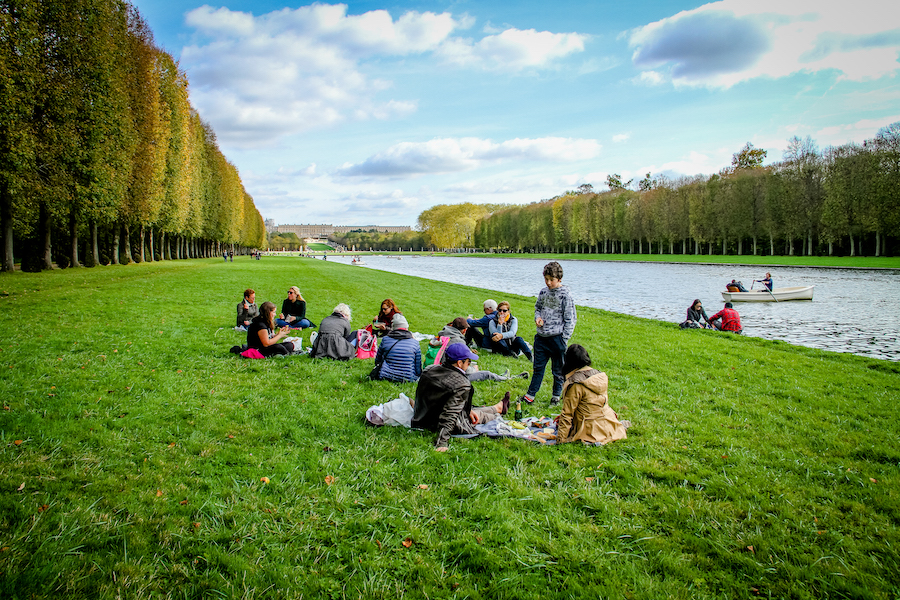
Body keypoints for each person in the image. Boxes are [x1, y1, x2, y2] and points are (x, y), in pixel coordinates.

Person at [411, 343, 511, 452]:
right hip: (436, 423)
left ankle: (497, 407)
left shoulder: (429, 370)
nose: (469, 364)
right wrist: (442, 442)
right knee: (477, 416)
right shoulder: (462, 384)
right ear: (459, 363)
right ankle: (496, 413)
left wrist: (466, 409)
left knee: (469, 411)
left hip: (422, 417)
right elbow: (450, 414)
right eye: (468, 362)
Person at [521, 261, 577, 406]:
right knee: (537, 367)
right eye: (546, 279)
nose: (548, 282)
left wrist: (564, 339)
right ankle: (530, 395)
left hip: (557, 338)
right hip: (541, 338)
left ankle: (556, 395)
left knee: (558, 370)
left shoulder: (566, 295)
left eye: (551, 280)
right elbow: (537, 308)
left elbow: (570, 319)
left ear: (559, 279)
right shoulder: (543, 292)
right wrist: (537, 318)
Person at [556, 344, 628, 445]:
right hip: (609, 424)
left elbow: (567, 413)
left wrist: (560, 439)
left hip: (589, 430)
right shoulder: (599, 375)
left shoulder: (575, 384)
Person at [370, 314, 422, 382]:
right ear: (406, 328)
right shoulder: (415, 343)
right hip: (408, 378)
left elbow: (378, 360)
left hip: (386, 376)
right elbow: (418, 367)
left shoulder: (385, 339)